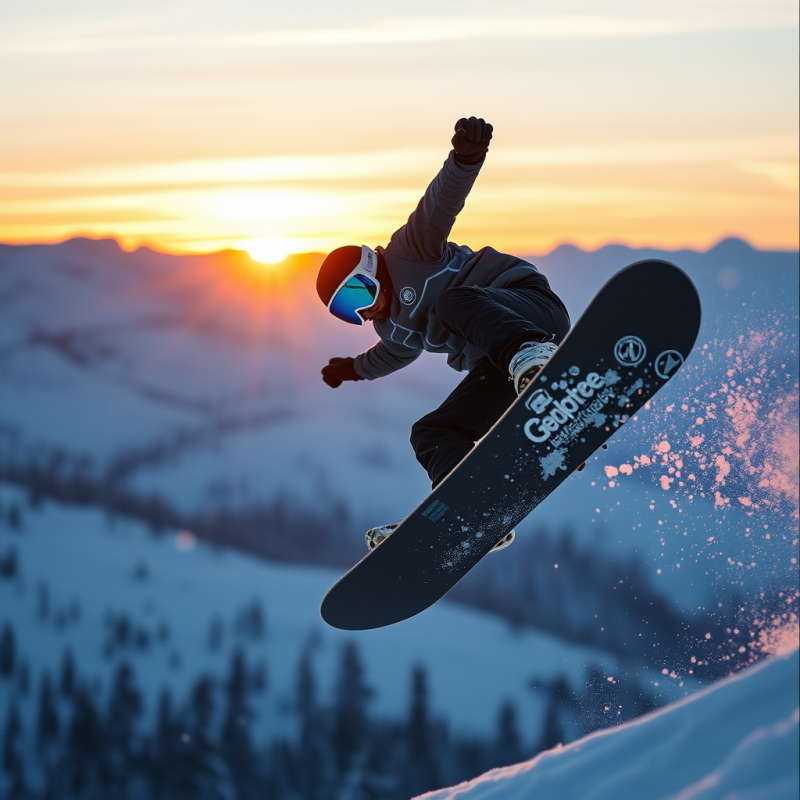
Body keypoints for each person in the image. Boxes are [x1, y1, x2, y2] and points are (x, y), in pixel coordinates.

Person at [315, 117, 571, 552]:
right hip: (506, 367)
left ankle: (532, 355)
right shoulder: (391, 326)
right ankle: (475, 508)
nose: (363, 309)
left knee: (452, 303)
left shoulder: (408, 251)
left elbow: (440, 204)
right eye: (347, 310)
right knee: (431, 431)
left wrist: (465, 159)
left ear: (372, 267)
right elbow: (388, 356)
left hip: (529, 312)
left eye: (359, 291)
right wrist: (352, 369)